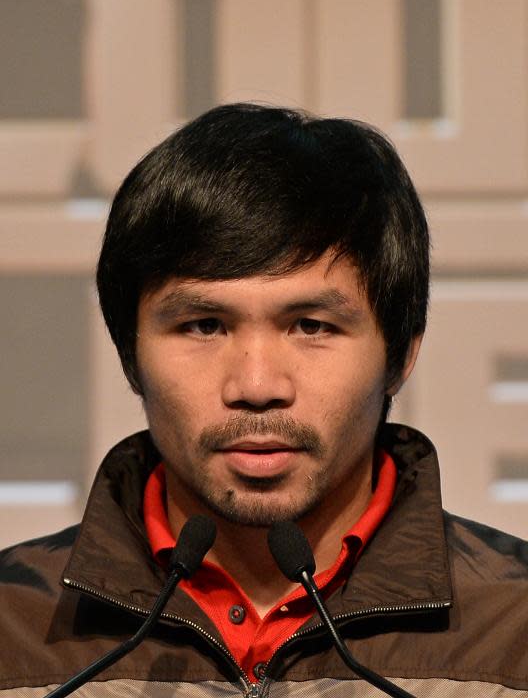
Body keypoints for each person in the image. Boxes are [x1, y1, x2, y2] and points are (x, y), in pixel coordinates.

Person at [1, 103, 527, 697]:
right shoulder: (13, 625)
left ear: (402, 354)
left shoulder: (514, 626)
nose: (255, 387)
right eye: (203, 326)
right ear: (129, 353)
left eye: (310, 326)